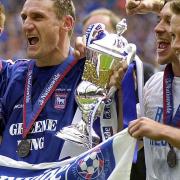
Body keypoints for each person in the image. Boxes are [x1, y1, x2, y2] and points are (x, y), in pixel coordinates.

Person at [0, 0, 124, 170]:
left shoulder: (90, 73)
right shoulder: (10, 76)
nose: (27, 25)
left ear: (67, 23)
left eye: (37, 17)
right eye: (24, 18)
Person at [126, 0, 180, 179]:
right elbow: (130, 133)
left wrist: (164, 131)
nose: (157, 28)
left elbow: (156, 130)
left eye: (168, 20)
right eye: (158, 19)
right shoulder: (154, 85)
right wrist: (118, 89)